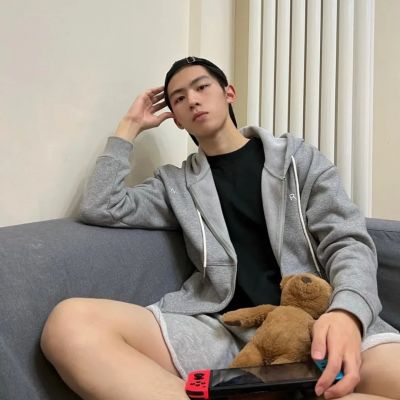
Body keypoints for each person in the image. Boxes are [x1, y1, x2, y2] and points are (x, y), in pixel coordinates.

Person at [40, 57, 400, 400]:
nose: (192, 100)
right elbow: (100, 204)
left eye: (201, 87)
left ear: (229, 93)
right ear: (176, 120)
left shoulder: (298, 160)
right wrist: (129, 126)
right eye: (179, 98)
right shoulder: (175, 186)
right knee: (70, 324)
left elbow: (347, 240)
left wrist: (347, 313)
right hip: (223, 332)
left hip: (320, 320)